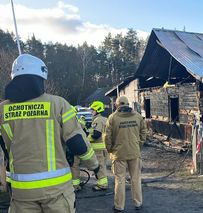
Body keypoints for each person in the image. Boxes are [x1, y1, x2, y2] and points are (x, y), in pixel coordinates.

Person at [0, 54, 99, 213]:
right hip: (57, 191)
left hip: (21, 191)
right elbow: (76, 142)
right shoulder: (58, 103)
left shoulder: (2, 109)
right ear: (40, 78)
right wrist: (94, 165)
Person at [104, 96, 147, 212]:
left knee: (120, 180)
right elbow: (144, 132)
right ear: (128, 104)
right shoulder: (137, 116)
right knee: (136, 179)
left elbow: (107, 137)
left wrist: (110, 150)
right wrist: (139, 145)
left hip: (119, 154)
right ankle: (138, 203)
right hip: (134, 152)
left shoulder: (112, 118)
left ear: (117, 105)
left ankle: (119, 206)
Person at [88, 101, 108, 191]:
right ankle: (102, 182)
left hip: (98, 149)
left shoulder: (98, 120)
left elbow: (96, 135)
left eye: (93, 110)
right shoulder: (104, 119)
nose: (91, 112)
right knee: (102, 166)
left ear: (98, 110)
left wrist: (86, 139)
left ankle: (103, 184)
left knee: (100, 166)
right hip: (104, 147)